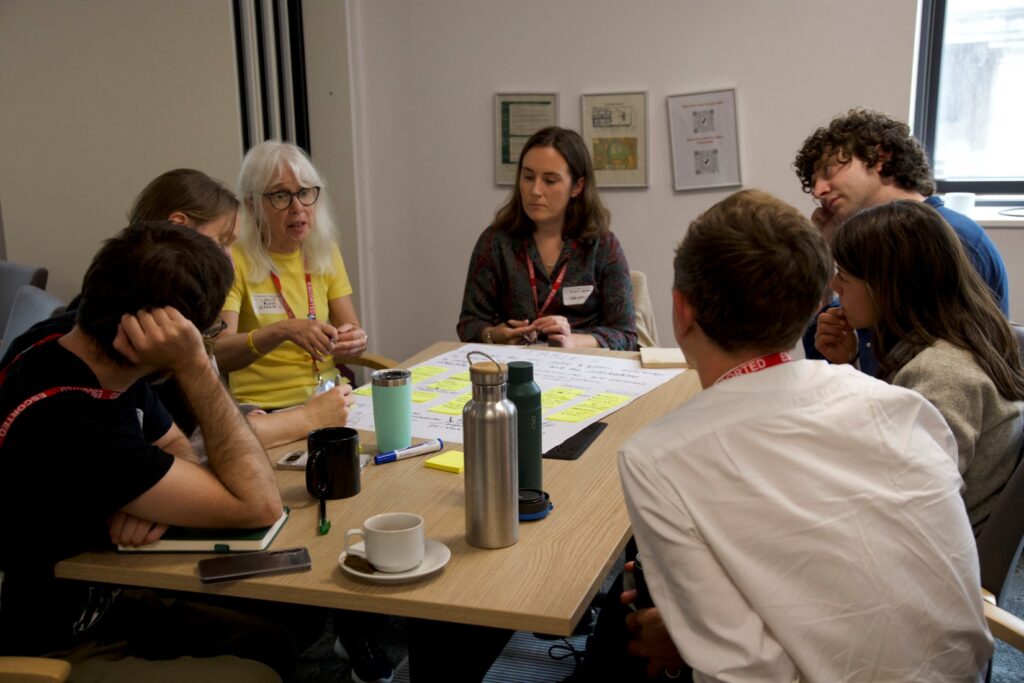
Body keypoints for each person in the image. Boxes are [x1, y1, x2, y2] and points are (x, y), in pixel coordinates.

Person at [614, 190, 992, 681]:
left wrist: (687, 636)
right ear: (817, 301)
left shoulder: (656, 458)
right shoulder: (904, 407)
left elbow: (747, 673)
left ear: (681, 309)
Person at [0, 222, 291, 680]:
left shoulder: (74, 341)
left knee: (282, 632)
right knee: (258, 676)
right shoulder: (70, 423)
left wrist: (147, 492)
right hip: (53, 646)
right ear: (158, 337)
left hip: (102, 594)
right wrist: (195, 365)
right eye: (208, 333)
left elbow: (174, 442)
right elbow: (260, 503)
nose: (208, 342)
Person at [0, 168, 354, 450]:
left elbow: (183, 440)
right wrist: (306, 419)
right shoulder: (144, 334)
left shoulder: (111, 308)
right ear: (179, 228)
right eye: (222, 242)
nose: (229, 258)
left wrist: (247, 417)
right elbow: (203, 444)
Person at [819, 200, 1024, 534]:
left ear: (886, 288)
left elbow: (918, 504)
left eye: (844, 277)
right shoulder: (962, 335)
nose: (836, 289)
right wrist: (852, 363)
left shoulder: (942, 373)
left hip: (937, 549)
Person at [793, 108, 1008, 375]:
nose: (818, 191)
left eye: (828, 170)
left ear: (881, 157)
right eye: (814, 183)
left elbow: (953, 379)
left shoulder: (950, 237)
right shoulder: (873, 251)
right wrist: (825, 258)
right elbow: (826, 361)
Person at [214, 140, 368, 409]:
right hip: (264, 409)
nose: (298, 207)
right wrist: (282, 331)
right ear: (252, 206)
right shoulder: (234, 259)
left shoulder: (324, 250)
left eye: (305, 193)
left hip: (331, 398)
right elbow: (219, 353)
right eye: (281, 196)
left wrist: (354, 341)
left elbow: (352, 332)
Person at [457, 126, 637, 350]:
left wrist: (573, 341)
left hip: (583, 370)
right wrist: (494, 335)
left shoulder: (602, 245)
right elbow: (469, 324)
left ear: (577, 187)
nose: (535, 190)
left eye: (550, 181)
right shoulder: (496, 242)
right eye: (528, 177)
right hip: (514, 369)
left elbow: (625, 335)